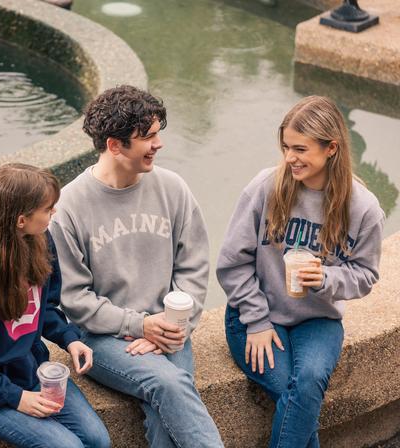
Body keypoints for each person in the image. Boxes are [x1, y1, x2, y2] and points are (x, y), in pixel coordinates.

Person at [49, 85, 224, 448]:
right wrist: (139, 325)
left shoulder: (173, 189)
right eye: (147, 137)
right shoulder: (68, 207)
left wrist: (175, 326)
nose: (158, 143)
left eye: (158, 133)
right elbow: (74, 298)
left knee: (165, 414)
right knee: (170, 383)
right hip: (102, 338)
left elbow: (194, 267)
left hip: (169, 329)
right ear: (114, 145)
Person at [217, 96, 384, 448]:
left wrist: (327, 278)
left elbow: (366, 275)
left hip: (318, 319)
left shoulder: (364, 208)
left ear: (331, 148)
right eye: (285, 147)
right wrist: (257, 321)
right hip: (255, 315)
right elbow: (232, 263)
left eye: (300, 149)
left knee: (306, 384)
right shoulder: (265, 187)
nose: (289, 157)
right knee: (294, 396)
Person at [0, 163, 111, 448]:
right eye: (47, 209)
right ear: (20, 220)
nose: (53, 213)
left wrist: (69, 340)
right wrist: (16, 398)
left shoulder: (40, 239)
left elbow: (44, 307)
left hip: (29, 370)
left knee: (98, 441)